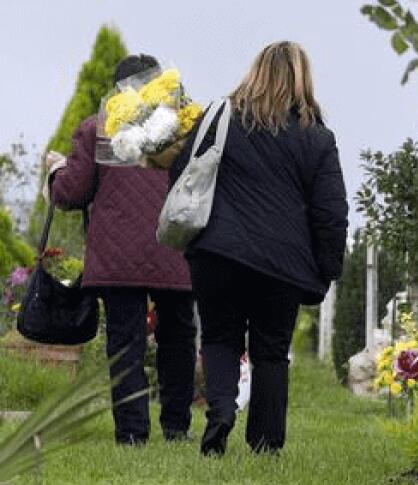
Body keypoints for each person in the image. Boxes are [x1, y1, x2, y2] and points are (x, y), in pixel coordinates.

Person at [171, 41, 348, 456]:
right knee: (271, 350)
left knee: (219, 337)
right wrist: (327, 268)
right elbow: (331, 212)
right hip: (280, 264)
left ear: (255, 72)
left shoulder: (217, 119)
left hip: (217, 253)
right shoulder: (317, 138)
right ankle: (266, 443)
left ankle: (221, 411)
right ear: (303, 79)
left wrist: (195, 238)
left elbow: (183, 173)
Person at [47, 53, 196, 446]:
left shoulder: (97, 129)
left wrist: (54, 171)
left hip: (120, 259)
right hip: (176, 251)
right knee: (178, 339)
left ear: (117, 90)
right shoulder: (183, 130)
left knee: (125, 345)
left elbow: (70, 193)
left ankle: (132, 433)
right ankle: (177, 428)